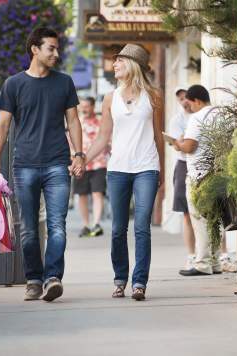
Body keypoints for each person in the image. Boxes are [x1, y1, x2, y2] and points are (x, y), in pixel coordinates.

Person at [0, 27, 84, 302]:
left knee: (57, 226)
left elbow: (73, 121)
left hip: (57, 164)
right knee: (28, 228)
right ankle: (33, 279)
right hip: (24, 165)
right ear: (35, 50)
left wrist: (79, 154)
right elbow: (3, 124)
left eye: (57, 48)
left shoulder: (64, 82)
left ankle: (53, 278)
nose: (56, 53)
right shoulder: (14, 84)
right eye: (51, 48)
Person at [84, 44, 164, 301]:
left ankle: (139, 282)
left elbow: (158, 136)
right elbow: (103, 137)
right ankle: (120, 279)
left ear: (131, 65)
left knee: (141, 226)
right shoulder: (110, 98)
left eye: (118, 61)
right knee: (118, 228)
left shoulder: (153, 96)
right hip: (118, 169)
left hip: (146, 167)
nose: (114, 65)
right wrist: (82, 159)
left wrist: (160, 169)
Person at [172, 85, 222, 276]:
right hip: (219, 172)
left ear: (197, 101)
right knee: (215, 218)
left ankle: (202, 263)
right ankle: (215, 261)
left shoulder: (197, 117)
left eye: (190, 103)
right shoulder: (221, 113)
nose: (189, 107)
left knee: (200, 218)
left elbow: (191, 146)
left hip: (199, 175)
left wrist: (178, 144)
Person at [169, 87, 196, 270]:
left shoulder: (201, 115)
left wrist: (184, 142)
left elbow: (184, 143)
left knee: (212, 211)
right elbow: (177, 145)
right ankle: (192, 254)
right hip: (184, 165)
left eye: (187, 97)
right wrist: (182, 144)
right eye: (181, 99)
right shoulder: (177, 120)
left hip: (203, 163)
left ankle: (221, 253)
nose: (184, 101)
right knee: (186, 212)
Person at [74, 97, 108, 238]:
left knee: (97, 193)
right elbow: (70, 141)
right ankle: (86, 225)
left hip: (99, 163)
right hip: (80, 164)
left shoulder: (101, 122)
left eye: (87, 106)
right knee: (82, 194)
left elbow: (108, 140)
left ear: (93, 106)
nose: (84, 109)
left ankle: (96, 223)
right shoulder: (77, 122)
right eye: (82, 106)